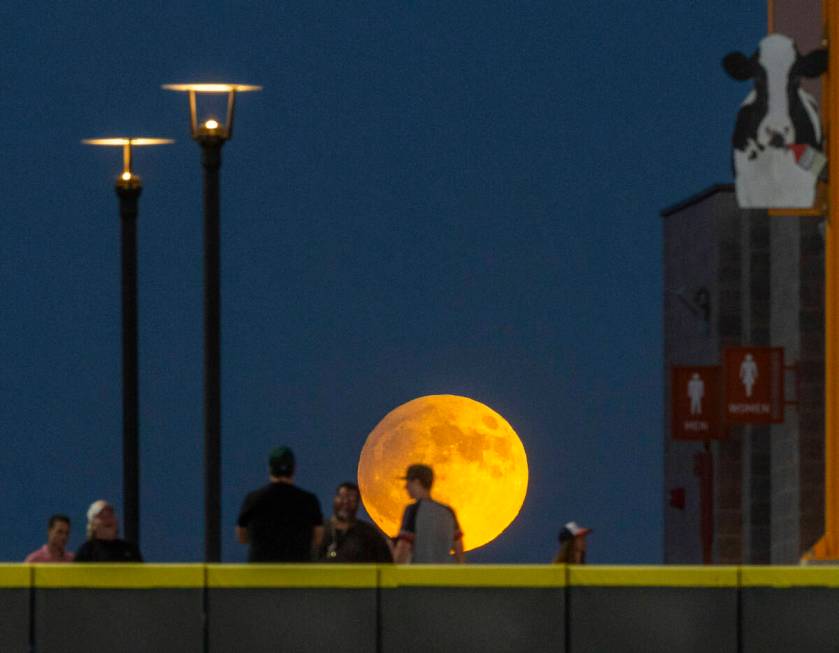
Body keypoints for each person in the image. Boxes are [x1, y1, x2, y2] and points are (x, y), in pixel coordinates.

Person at [236, 446, 324, 562]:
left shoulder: (253, 499)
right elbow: (318, 538)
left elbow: (241, 537)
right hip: (298, 573)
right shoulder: (309, 500)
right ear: (294, 469)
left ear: (270, 468)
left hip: (261, 573)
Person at [393, 464, 464, 564]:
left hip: (419, 576)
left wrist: (394, 574)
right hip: (445, 576)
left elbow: (403, 549)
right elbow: (459, 553)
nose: (405, 487)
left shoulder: (413, 510)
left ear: (417, 482)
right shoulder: (448, 511)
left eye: (408, 482)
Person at [318, 482, 393, 563]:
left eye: (351, 499)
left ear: (358, 503)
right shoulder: (319, 530)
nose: (346, 502)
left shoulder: (369, 534)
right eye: (342, 497)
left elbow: (385, 563)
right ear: (335, 499)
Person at [74, 500, 143, 562]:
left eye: (110, 515)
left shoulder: (130, 550)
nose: (107, 519)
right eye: (102, 517)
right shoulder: (86, 552)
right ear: (92, 525)